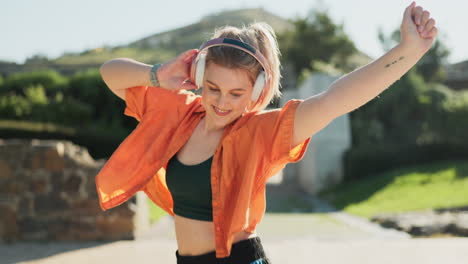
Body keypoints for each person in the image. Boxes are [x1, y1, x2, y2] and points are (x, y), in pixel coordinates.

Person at [95, 2, 437, 263]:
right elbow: (110, 75)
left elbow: (336, 99)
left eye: (236, 94)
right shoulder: (179, 113)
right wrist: (159, 74)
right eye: (212, 88)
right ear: (198, 75)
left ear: (257, 91)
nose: (222, 102)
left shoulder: (261, 132)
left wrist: (408, 51)